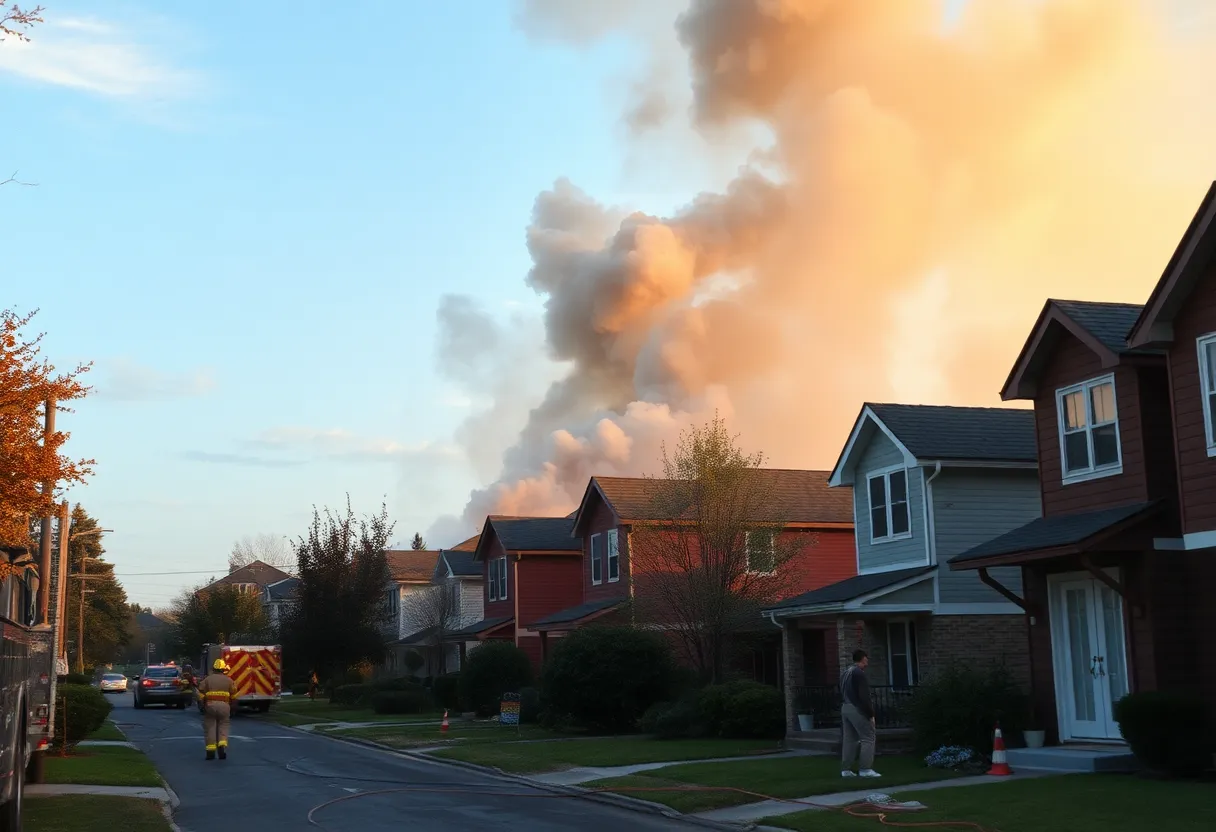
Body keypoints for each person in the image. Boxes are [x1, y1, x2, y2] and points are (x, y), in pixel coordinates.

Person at [840, 648, 880, 778]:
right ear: (863, 659)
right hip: (856, 708)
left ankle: (846, 770)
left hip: (845, 707)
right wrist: (870, 714)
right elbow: (864, 696)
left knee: (849, 739)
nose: (867, 663)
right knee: (868, 737)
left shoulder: (845, 672)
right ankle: (865, 769)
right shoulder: (859, 673)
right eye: (866, 660)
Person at [197, 658, 237, 761]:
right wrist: (233, 707)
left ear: (214, 668)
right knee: (223, 726)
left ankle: (210, 752)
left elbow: (200, 692)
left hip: (210, 706)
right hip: (225, 707)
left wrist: (201, 704)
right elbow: (234, 695)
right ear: (223, 669)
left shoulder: (208, 679)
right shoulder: (229, 680)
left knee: (210, 726)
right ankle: (222, 746)